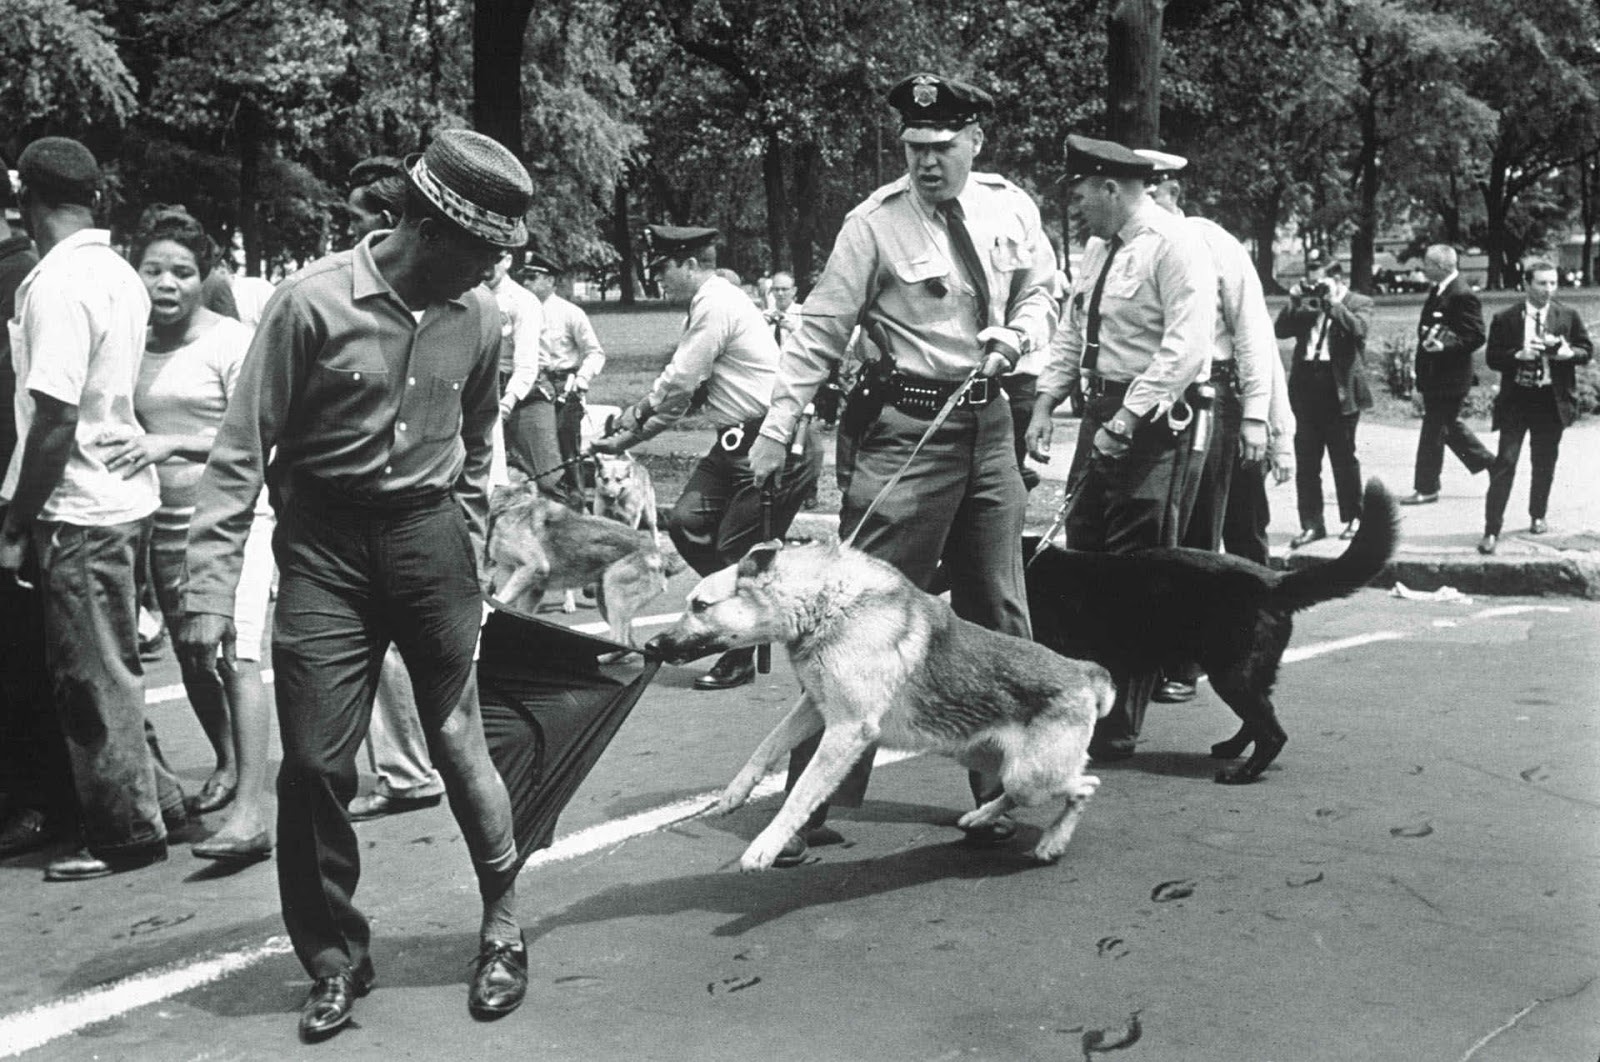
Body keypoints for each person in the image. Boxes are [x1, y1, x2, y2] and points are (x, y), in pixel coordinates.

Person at [179, 130, 533, 1039]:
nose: (495, 268)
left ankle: (503, 925)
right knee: (314, 765)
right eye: (485, 249)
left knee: (457, 740)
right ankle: (334, 957)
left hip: (427, 541)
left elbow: (478, 438)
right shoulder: (310, 303)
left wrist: (468, 539)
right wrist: (208, 591)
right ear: (428, 228)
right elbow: (238, 453)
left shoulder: (480, 316)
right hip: (325, 550)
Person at [749, 73, 1057, 861]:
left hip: (989, 426)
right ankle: (804, 809)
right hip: (910, 429)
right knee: (855, 618)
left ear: (975, 141)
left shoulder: (1010, 207)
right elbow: (820, 330)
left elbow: (1043, 292)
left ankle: (998, 793)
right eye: (915, 146)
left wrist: (1018, 336)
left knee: (999, 616)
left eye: (943, 146)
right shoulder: (873, 224)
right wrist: (779, 426)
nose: (927, 162)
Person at [0, 137, 177, 881]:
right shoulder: (116, 272)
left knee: (91, 677)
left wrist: (17, 518)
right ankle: (157, 798)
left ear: (26, 197)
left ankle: (125, 831)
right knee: (115, 664)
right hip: (122, 496)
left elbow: (55, 417)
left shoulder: (57, 284)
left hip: (80, 505)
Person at [1025, 134, 1216, 762]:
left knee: (1136, 574)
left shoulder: (1176, 244)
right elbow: (1073, 330)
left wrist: (1129, 418)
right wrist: (1046, 402)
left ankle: (1119, 725)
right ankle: (1085, 705)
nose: (1077, 206)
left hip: (1154, 423)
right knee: (1087, 561)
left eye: (1082, 193)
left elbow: (1186, 347)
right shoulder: (1099, 249)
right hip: (1101, 412)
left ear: (1112, 187)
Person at [94, 209, 277, 863]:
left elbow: (257, 435)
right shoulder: (129, 342)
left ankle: (252, 811)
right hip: (163, 523)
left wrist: (169, 441)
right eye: (153, 270)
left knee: (235, 653)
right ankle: (226, 762)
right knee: (192, 654)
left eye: (182, 271)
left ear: (204, 277)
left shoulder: (232, 341)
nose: (167, 283)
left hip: (236, 520)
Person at [591, 225, 821, 690]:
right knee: (687, 524)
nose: (657, 280)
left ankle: (738, 648)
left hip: (776, 440)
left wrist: (634, 413)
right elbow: (683, 399)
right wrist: (626, 440)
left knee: (735, 547)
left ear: (691, 265)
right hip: (735, 442)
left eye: (663, 269)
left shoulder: (717, 304)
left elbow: (679, 379)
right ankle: (738, 612)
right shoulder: (704, 307)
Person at [1136, 150, 1274, 705]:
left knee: (1197, 534)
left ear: (1171, 191)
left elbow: (1252, 330)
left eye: (1152, 190)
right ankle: (1148, 654)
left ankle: (1187, 662)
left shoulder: (1212, 242)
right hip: (1143, 398)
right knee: (1152, 535)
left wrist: (1258, 414)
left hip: (1205, 398)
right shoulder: (1126, 248)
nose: (1145, 202)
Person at [339, 154, 449, 825]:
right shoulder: (337, 292)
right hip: (395, 504)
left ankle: (409, 769)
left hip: (404, 507)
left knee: (390, 648)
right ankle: (411, 762)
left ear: (387, 219)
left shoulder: (446, 302)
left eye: (355, 218)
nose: (348, 231)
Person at [0, 160, 76, 860]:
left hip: (27, 496)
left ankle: (46, 802)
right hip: (30, 492)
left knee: (31, 658)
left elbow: (39, 415)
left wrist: (16, 515)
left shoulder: (28, 279)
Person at [1478, 260, 1593, 554]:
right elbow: (1492, 358)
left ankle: (1537, 514)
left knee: (1544, 462)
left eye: (1553, 283)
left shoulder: (1567, 315)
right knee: (1505, 462)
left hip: (1549, 401)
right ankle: (1491, 529)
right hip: (1517, 400)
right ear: (1526, 284)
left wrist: (1567, 353)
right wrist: (1518, 354)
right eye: (1541, 283)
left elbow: (1586, 350)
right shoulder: (1506, 318)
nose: (1548, 289)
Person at [1275, 249, 1373, 547]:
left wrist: (1333, 304)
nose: (1316, 288)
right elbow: (1281, 330)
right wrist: (1295, 301)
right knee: (1307, 460)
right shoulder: (1307, 302)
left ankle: (1355, 518)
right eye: (1312, 282)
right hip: (1307, 383)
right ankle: (1311, 523)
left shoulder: (1358, 302)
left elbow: (1359, 330)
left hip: (1339, 387)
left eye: (1321, 283)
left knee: (1343, 457)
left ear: (1337, 279)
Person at [1404, 244, 1493, 505]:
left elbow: (1476, 335)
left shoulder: (1461, 294)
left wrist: (1446, 347)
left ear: (1441, 266)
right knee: (1447, 427)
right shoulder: (1440, 289)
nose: (1423, 268)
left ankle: (1427, 487)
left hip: (1450, 377)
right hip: (1435, 375)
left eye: (1427, 264)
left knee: (1434, 430)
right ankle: (1494, 465)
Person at [515, 251, 605, 500]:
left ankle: (575, 503)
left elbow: (595, 353)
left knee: (566, 450)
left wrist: (582, 379)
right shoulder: (520, 311)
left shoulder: (570, 313)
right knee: (534, 451)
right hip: (531, 387)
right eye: (524, 278)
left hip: (563, 386)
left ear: (550, 281)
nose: (526, 284)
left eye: (532, 278)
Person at [1221, 349, 1294, 565]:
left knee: (1246, 529)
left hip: (1249, 437)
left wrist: (1282, 444)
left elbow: (1273, 378)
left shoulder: (1254, 331)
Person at [486, 252, 547, 487]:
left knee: (546, 476)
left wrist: (506, 403)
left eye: (495, 259)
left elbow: (526, 364)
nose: (487, 266)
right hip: (481, 389)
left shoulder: (522, 301)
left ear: (507, 261)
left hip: (523, 392)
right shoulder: (465, 295)